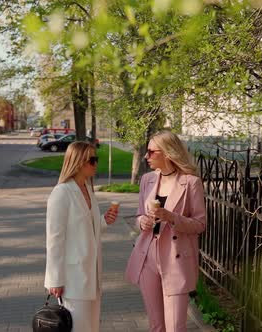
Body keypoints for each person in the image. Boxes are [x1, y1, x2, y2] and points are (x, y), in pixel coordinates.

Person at [125, 131, 207, 332]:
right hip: (148, 256)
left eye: (151, 152)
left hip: (176, 259)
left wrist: (171, 217)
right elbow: (138, 216)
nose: (146, 156)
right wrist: (142, 221)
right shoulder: (147, 180)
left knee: (175, 327)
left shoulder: (190, 183)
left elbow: (199, 224)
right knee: (156, 325)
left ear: (168, 153)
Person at [44, 141, 118, 332]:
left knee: (91, 328)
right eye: (92, 160)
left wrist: (103, 221)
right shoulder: (61, 193)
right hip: (73, 279)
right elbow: (54, 240)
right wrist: (54, 279)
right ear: (77, 162)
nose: (96, 164)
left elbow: (86, 229)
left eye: (96, 159)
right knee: (78, 328)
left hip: (92, 275)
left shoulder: (87, 189)